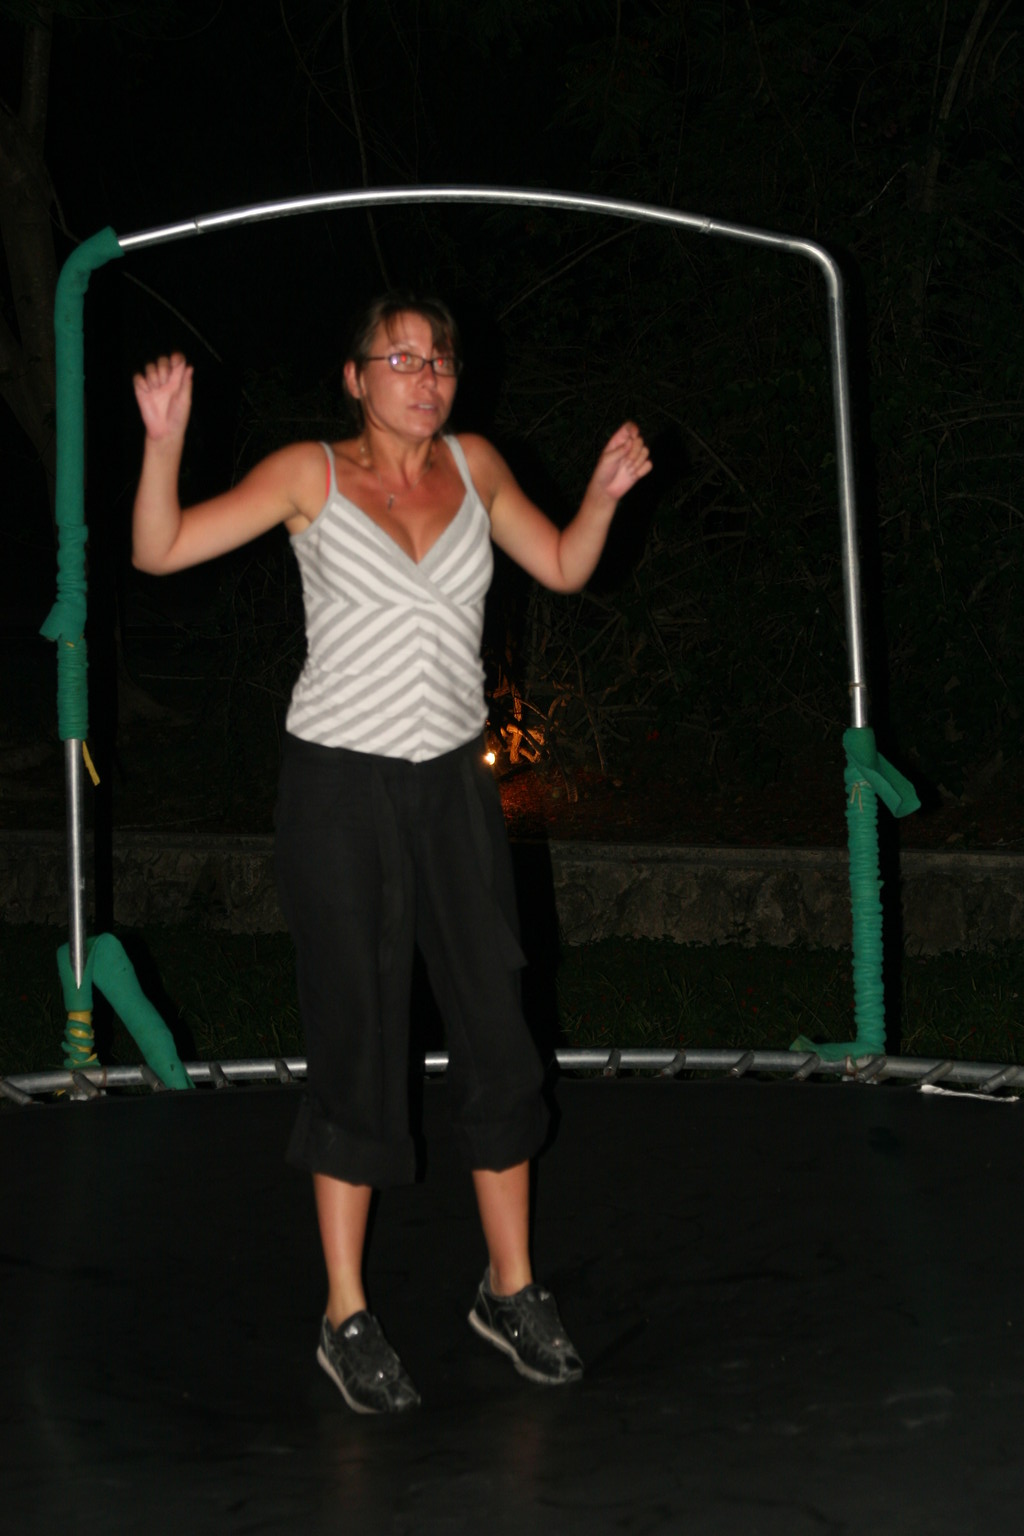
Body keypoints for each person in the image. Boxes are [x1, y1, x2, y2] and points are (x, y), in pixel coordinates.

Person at [132, 293, 651, 1415]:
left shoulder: (475, 465)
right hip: (339, 792)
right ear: (354, 377)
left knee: (496, 1022)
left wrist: (603, 498)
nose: (427, 376)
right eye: (402, 358)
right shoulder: (308, 474)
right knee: (359, 1030)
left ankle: (510, 1288)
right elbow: (158, 549)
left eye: (441, 359)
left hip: (453, 785)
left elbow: (564, 566)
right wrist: (164, 441)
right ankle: (346, 1311)